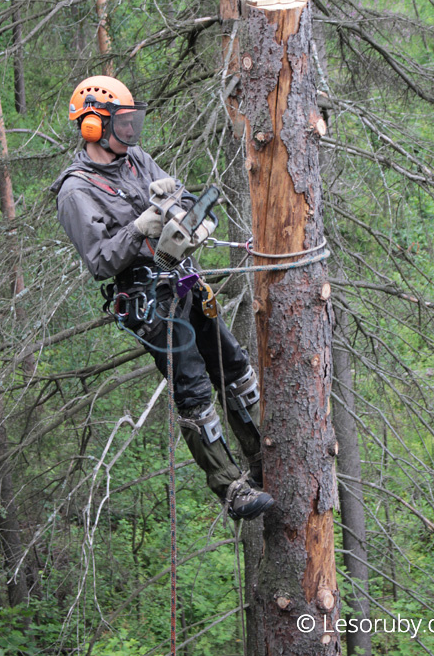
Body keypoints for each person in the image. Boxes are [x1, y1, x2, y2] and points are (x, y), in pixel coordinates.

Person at [51, 75, 273, 520]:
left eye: (134, 123)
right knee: (192, 389)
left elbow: (177, 193)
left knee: (235, 367)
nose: (131, 133)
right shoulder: (76, 191)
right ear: (94, 127)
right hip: (148, 300)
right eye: (122, 124)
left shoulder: (136, 161)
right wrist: (138, 229)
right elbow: (99, 261)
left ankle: (265, 458)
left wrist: (193, 215)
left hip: (184, 281)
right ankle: (231, 489)